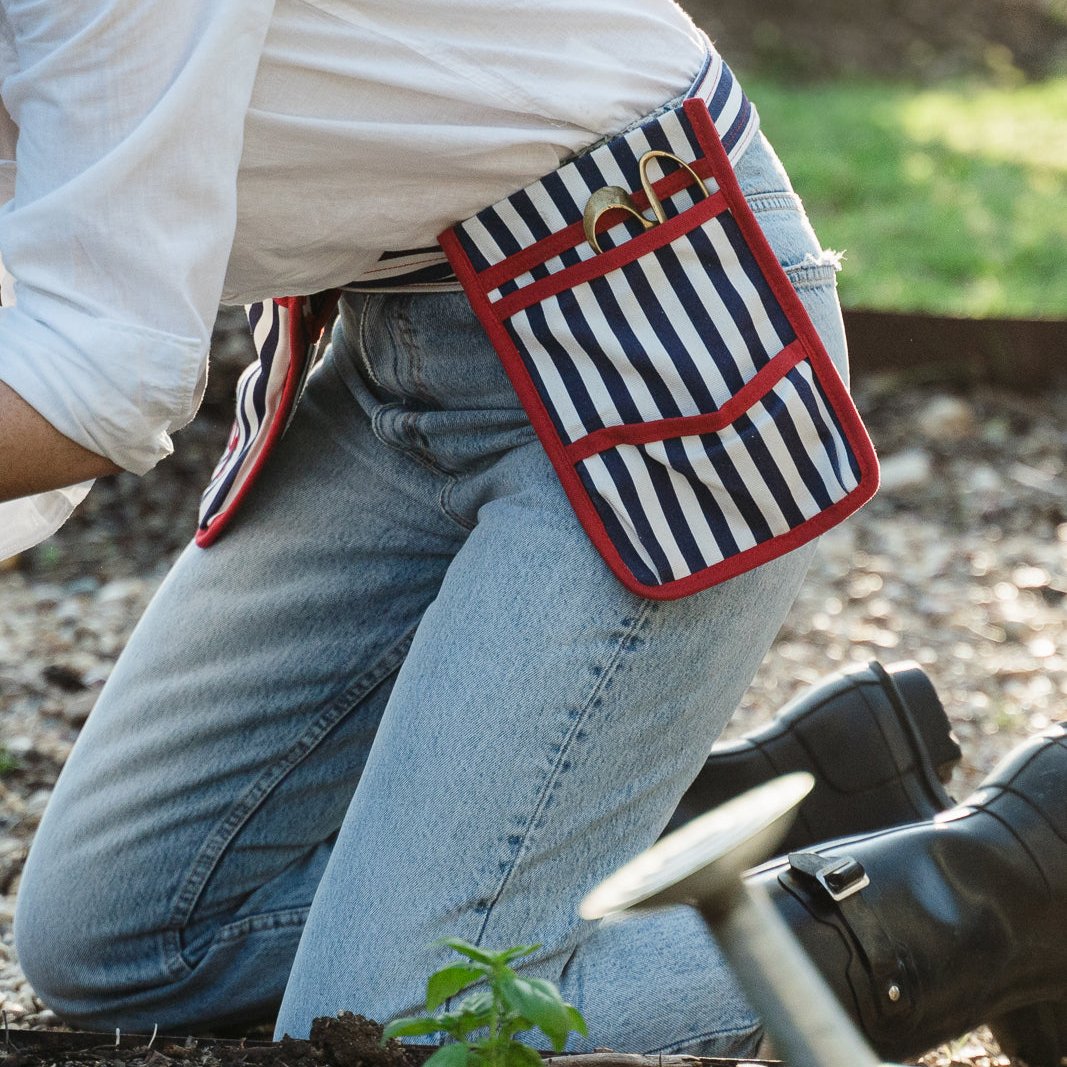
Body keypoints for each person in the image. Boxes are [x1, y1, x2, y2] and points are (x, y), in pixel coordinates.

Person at [4, 2, 1066, 1063]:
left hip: (642, 323)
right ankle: (786, 806)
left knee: (401, 1020)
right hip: (386, 340)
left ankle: (1010, 881)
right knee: (124, 937)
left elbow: (96, 370)